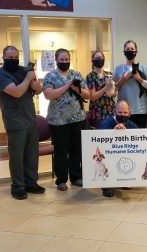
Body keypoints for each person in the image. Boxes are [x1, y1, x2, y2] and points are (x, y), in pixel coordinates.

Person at [0, 45, 45, 200]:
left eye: (16, 57)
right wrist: (28, 79)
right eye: (10, 58)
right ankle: (18, 187)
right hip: (15, 122)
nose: (14, 60)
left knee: (31, 155)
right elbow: (16, 92)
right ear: (4, 58)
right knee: (17, 157)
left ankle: (31, 183)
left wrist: (34, 82)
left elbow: (39, 90)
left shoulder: (23, 70)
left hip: (30, 119)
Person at [43, 48, 90, 191]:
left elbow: (87, 94)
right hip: (58, 120)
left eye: (67, 59)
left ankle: (76, 177)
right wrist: (66, 86)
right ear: (56, 60)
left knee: (77, 149)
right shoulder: (50, 76)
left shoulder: (76, 74)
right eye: (61, 59)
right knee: (61, 150)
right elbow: (48, 95)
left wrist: (76, 89)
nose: (64, 62)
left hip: (78, 118)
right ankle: (61, 180)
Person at [99, 100, 138, 197]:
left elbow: (138, 143)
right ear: (114, 112)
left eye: (125, 112)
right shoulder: (105, 124)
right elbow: (100, 144)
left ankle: (125, 179)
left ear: (130, 113)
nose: (122, 114)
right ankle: (106, 186)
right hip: (108, 156)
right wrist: (114, 133)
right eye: (120, 112)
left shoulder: (132, 125)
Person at [113, 40, 147, 128]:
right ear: (124, 51)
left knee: (139, 138)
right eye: (127, 49)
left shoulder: (144, 68)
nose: (130, 51)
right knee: (124, 138)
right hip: (123, 111)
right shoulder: (118, 69)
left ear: (136, 51)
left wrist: (139, 79)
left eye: (132, 49)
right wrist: (122, 80)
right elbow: (113, 91)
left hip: (141, 110)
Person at [86, 50, 116, 129]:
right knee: (99, 138)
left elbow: (114, 92)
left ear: (104, 59)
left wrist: (112, 93)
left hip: (111, 112)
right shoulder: (90, 76)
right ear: (92, 61)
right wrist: (106, 87)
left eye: (100, 57)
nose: (99, 59)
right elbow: (93, 97)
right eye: (96, 58)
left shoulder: (109, 74)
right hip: (97, 113)